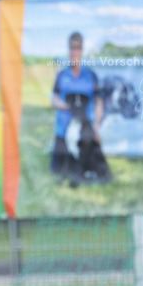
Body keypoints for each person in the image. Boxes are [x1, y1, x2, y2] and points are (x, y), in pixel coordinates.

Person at [49, 31, 110, 185]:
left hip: (84, 132)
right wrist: (68, 106)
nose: (74, 52)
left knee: (91, 166)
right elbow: (54, 99)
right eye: (72, 49)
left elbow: (99, 102)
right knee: (57, 170)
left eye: (77, 49)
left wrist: (96, 128)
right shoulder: (62, 76)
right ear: (68, 51)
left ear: (81, 51)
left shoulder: (91, 76)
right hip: (63, 131)